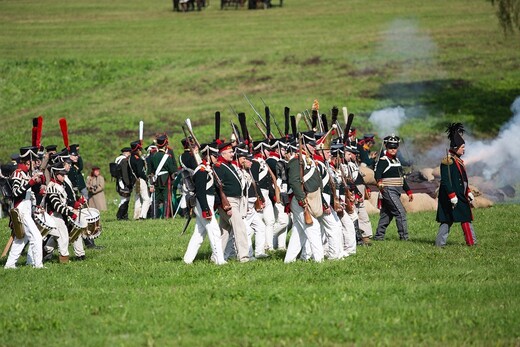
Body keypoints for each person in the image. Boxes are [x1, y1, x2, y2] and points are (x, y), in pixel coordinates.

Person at [436, 123, 477, 247]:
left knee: (459, 218)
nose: (464, 149)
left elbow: (462, 179)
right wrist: (452, 195)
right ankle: (470, 243)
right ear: (455, 147)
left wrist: (468, 191)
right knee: (448, 220)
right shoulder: (448, 161)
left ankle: (470, 242)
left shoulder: (457, 160)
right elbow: (446, 181)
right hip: (452, 195)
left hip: (459, 194)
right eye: (462, 147)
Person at [4, 146, 45, 269]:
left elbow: (30, 193)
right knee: (36, 236)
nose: (35, 163)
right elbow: (15, 193)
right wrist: (30, 182)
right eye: (34, 161)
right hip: (21, 208)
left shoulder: (26, 173)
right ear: (28, 161)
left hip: (26, 207)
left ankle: (10, 264)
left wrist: (37, 182)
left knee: (21, 239)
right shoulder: (18, 173)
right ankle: (38, 265)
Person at [374, 135, 414, 241]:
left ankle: (379, 236)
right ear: (386, 147)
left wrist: (408, 191)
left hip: (397, 190)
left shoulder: (397, 161)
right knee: (400, 212)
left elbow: (401, 178)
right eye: (390, 147)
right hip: (388, 189)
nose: (393, 149)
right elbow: (377, 174)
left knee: (387, 214)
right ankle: (404, 237)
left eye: (395, 147)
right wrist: (379, 182)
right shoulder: (383, 160)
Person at [148, 135, 177, 218]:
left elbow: (150, 170)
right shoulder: (167, 157)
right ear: (165, 145)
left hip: (156, 179)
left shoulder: (153, 156)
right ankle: (165, 216)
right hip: (165, 179)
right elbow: (172, 169)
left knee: (156, 198)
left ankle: (154, 216)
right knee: (166, 198)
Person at [130, 140, 152, 220]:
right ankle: (142, 216)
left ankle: (136, 216)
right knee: (146, 199)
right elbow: (140, 172)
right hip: (140, 180)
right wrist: (146, 178)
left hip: (134, 180)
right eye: (139, 149)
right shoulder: (138, 160)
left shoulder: (130, 158)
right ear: (137, 150)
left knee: (137, 198)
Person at [115, 147, 133, 220]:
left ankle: (122, 215)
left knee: (124, 199)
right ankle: (121, 215)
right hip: (123, 183)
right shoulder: (124, 161)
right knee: (125, 200)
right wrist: (128, 184)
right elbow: (125, 174)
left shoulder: (118, 159)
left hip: (119, 182)